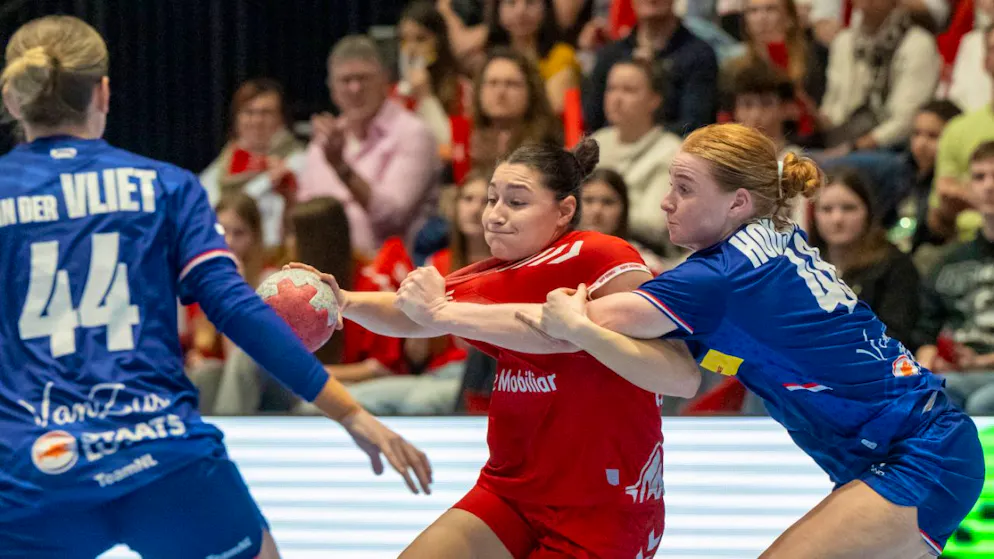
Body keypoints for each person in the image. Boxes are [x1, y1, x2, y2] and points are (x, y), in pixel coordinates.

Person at [0, 16, 431, 559]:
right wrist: (348, 411)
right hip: (157, 453)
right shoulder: (165, 187)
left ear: (14, 100)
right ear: (104, 93)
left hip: (32, 465)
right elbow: (236, 308)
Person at [518, 123, 984, 558]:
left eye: (684, 189)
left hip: (920, 455)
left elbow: (576, 319)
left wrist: (460, 310)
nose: (665, 202)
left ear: (738, 203)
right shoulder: (774, 231)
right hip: (911, 445)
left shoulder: (719, 277)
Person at [291, 138, 700, 558]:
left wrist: (440, 313)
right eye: (492, 200)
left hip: (603, 506)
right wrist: (345, 301)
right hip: (510, 490)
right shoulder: (492, 275)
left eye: (517, 202)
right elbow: (412, 314)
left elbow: (677, 371)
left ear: (564, 211)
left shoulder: (599, 256)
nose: (495, 216)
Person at [299, 35, 440, 259]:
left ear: (385, 80)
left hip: (392, 277)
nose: (355, 88)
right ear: (332, 89)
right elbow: (305, 218)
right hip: (326, 274)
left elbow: (392, 217)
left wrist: (341, 168)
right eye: (345, 80)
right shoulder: (320, 145)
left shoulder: (413, 133)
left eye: (363, 78)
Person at [199, 78, 304, 250]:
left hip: (277, 261)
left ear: (282, 119)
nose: (257, 121)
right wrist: (267, 181)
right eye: (248, 112)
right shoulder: (219, 169)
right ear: (236, 119)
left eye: (266, 113)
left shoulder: (299, 161)